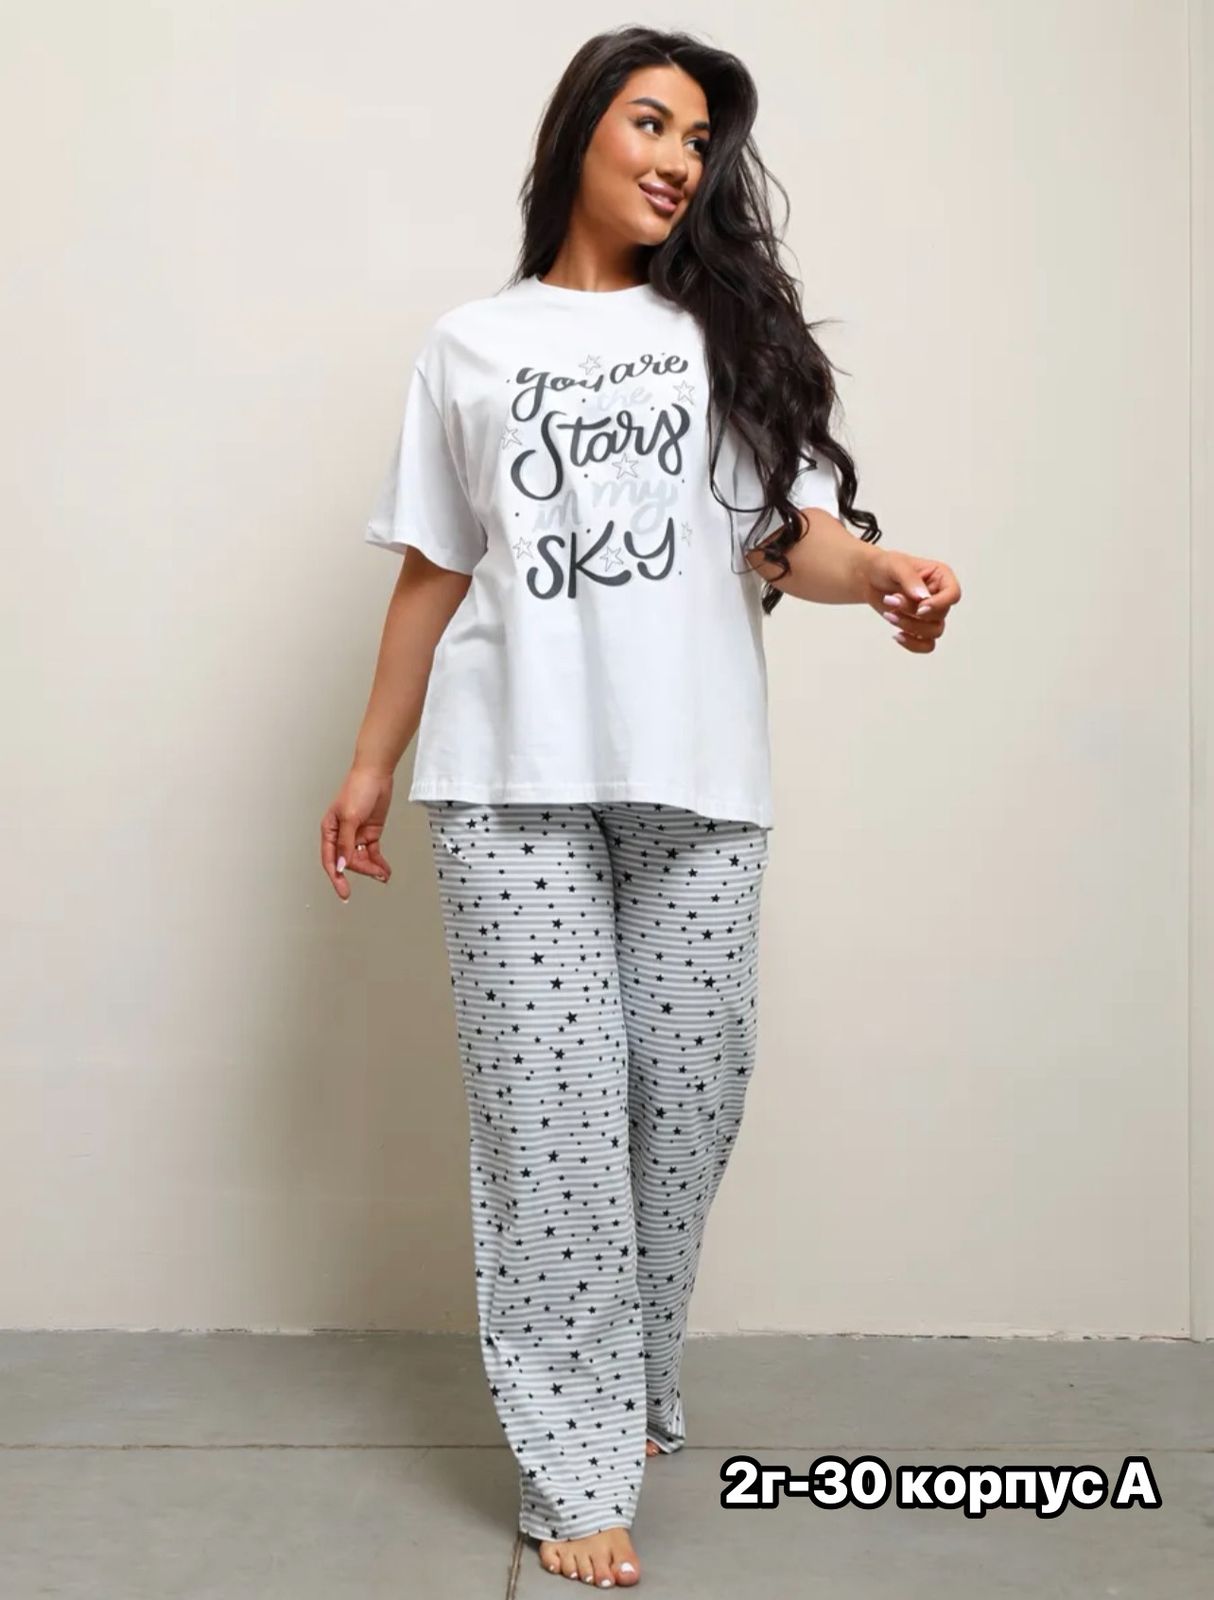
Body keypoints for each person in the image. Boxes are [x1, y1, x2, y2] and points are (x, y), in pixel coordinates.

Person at [321, 24, 961, 1589]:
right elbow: (436, 565)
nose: (678, 159)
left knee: (683, 1099)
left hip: (696, 776)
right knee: (549, 1124)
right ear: (581, 134)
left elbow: (791, 540)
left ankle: (625, 1371)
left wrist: (880, 572)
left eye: (698, 140)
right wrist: (371, 761)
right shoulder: (471, 345)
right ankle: (575, 1468)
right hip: (508, 778)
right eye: (651, 123)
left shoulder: (725, 337)